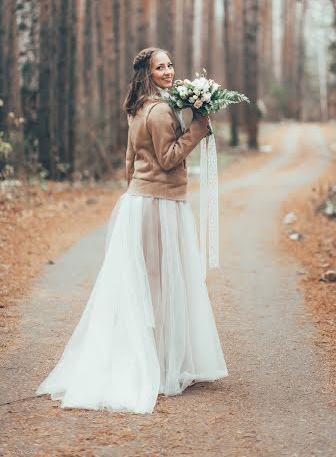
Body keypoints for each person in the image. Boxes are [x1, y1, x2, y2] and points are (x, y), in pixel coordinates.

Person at [36, 46, 228, 413]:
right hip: (159, 204)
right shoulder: (158, 112)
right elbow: (169, 157)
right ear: (147, 74)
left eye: (170, 65)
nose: (169, 71)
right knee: (161, 283)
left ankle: (158, 357)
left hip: (141, 201)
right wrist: (199, 127)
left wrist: (133, 195)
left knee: (148, 282)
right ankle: (155, 363)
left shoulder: (138, 108)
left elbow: (130, 161)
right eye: (161, 67)